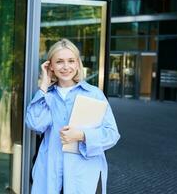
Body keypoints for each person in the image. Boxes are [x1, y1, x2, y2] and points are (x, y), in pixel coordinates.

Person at [25, 39, 120, 194]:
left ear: (77, 64)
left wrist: (82, 135)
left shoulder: (94, 94)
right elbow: (35, 124)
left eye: (71, 61)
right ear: (51, 66)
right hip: (50, 175)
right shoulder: (46, 96)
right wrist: (43, 85)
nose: (66, 67)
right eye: (59, 62)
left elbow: (112, 134)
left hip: (84, 177)